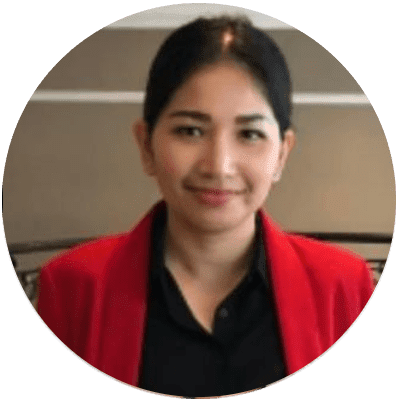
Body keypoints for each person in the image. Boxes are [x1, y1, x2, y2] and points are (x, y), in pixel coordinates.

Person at [37, 16, 374, 397]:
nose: (218, 166)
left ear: (282, 153)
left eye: (249, 134)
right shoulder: (72, 286)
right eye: (190, 131)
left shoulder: (344, 286)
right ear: (146, 145)